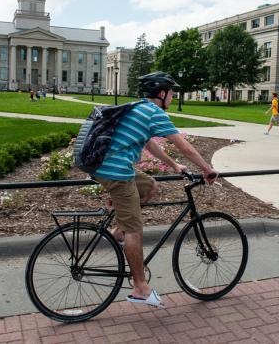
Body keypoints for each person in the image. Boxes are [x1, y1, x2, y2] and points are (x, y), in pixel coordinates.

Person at [92, 71, 218, 308]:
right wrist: (206, 168)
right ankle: (140, 288)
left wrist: (174, 165)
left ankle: (117, 231)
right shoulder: (155, 113)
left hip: (106, 165)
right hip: (115, 171)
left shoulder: (138, 108)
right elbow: (184, 146)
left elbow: (149, 142)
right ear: (162, 94)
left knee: (150, 186)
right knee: (135, 230)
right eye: (171, 93)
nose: (172, 97)